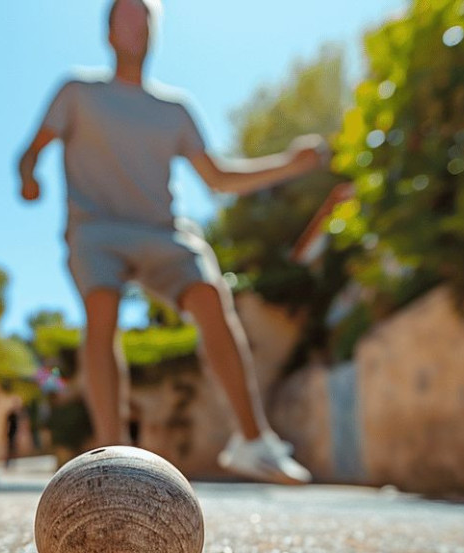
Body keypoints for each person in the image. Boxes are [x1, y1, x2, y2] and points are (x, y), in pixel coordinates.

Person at [17, 0, 326, 485]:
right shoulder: (78, 92)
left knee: (210, 295)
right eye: (124, 16)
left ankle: (254, 441)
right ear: (108, 32)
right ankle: (111, 457)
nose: (134, 24)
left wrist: (289, 164)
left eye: (143, 16)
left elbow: (219, 178)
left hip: (163, 231)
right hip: (96, 229)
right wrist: (28, 177)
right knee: (102, 309)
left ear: (153, 31)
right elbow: (31, 150)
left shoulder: (173, 110)